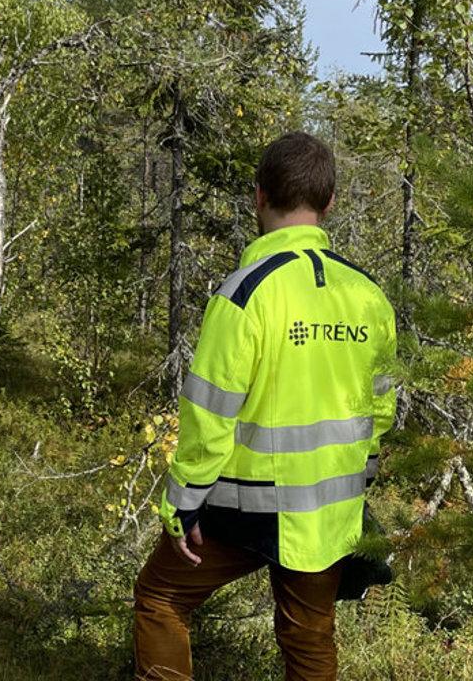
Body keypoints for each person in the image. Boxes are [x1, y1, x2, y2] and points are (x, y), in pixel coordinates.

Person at [133, 132, 397, 681]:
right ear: (329, 204)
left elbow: (210, 414)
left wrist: (183, 505)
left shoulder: (245, 294)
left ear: (259, 196)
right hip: (326, 511)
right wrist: (359, 479)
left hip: (239, 510)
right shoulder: (368, 297)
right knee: (310, 637)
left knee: (161, 598)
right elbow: (380, 408)